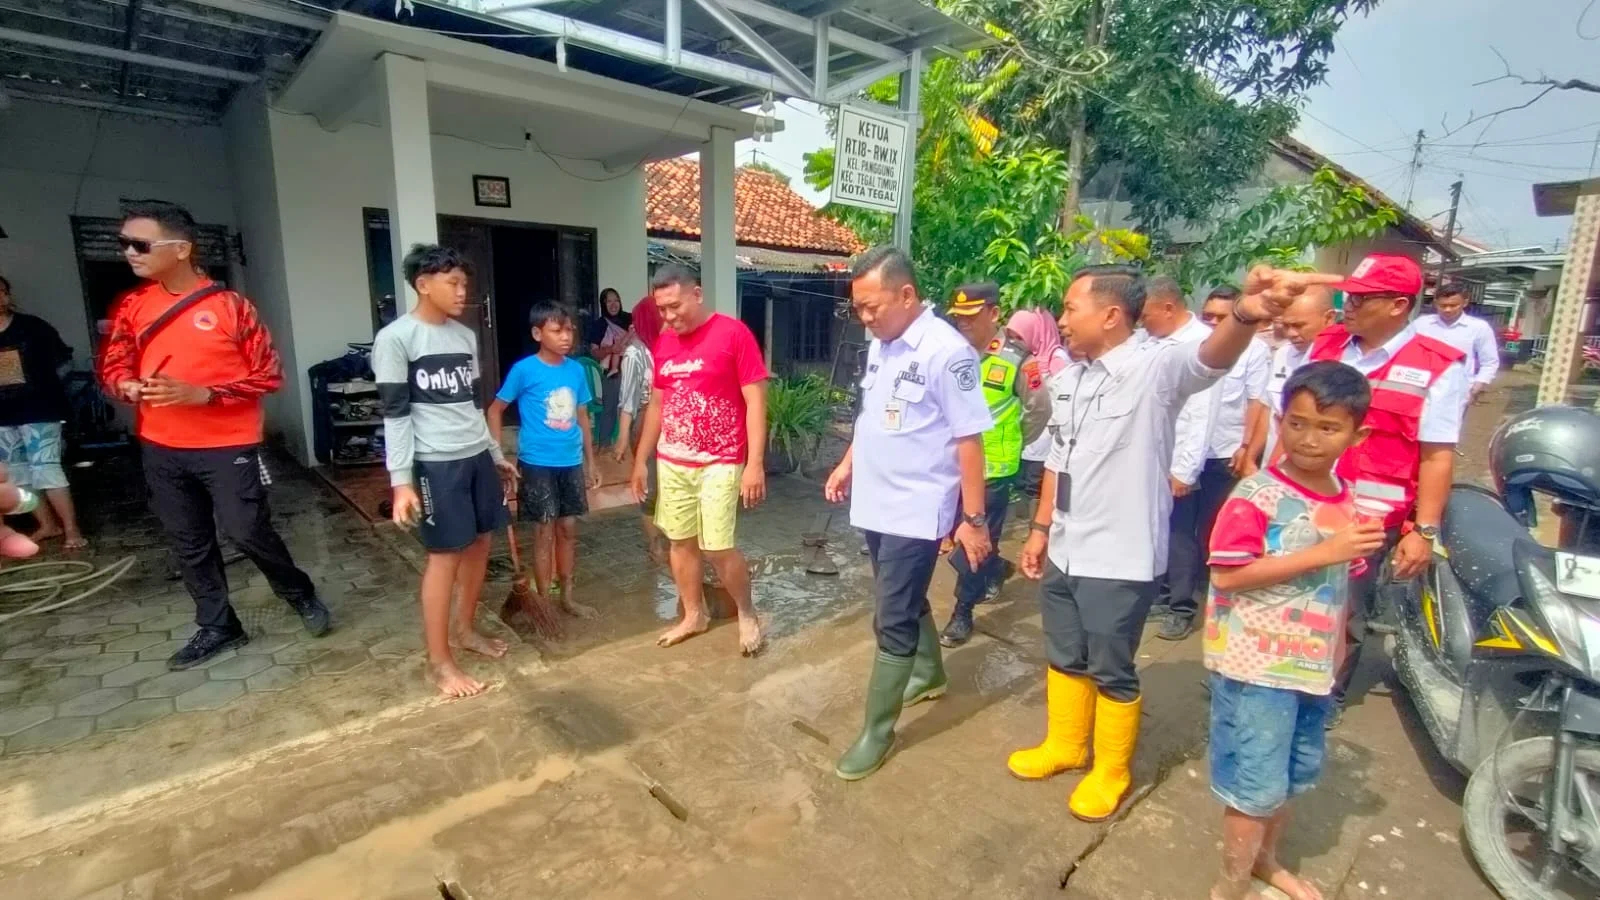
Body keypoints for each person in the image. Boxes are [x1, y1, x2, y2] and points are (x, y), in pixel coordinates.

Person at [1011, 263, 1328, 823]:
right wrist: (1039, 531)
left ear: (1111, 315)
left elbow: (1211, 359)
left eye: (1070, 308)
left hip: (1119, 553)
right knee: (1064, 653)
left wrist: (1248, 312)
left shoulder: (1154, 367)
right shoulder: (1072, 378)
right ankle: (1066, 745)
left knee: (1110, 665)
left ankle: (1110, 769)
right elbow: (1057, 464)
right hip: (1064, 544)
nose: (1061, 320)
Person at [97, 201, 330, 670]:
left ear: (181, 249)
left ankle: (298, 592)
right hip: (161, 445)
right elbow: (113, 362)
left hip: (227, 446)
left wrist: (204, 394)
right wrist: (125, 383)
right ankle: (219, 624)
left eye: (139, 244)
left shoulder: (231, 308)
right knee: (188, 540)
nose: (128, 253)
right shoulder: (133, 305)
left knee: (247, 532)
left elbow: (269, 375)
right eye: (123, 244)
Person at [1204, 360, 1384, 900]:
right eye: (1298, 423)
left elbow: (1342, 586)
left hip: (1310, 668)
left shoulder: (1344, 495)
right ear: (1280, 421)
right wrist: (1325, 550)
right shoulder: (1255, 496)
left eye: (1328, 428)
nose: (1309, 439)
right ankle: (1229, 884)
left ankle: (1266, 861)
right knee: (1255, 786)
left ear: (1358, 434)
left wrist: (1334, 654)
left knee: (1291, 776)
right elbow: (1228, 573)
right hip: (1256, 667)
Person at [824, 246, 993, 780]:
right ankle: (930, 673)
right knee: (901, 595)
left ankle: (878, 732)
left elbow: (970, 441)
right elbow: (873, 413)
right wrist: (848, 463)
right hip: (875, 500)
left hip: (918, 508)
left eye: (872, 307)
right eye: (859, 310)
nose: (865, 318)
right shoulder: (882, 343)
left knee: (890, 615)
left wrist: (974, 518)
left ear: (907, 295)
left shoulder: (949, 353)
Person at [1292, 254, 1468, 728]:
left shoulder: (1437, 367)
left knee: (1344, 607)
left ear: (1397, 306)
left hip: (1370, 514)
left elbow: (1437, 456)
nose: (1348, 304)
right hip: (1304, 498)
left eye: (1362, 297)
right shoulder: (1326, 345)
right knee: (1288, 591)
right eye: (1349, 293)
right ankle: (1277, 675)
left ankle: (1322, 695)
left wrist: (1424, 531)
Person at [374, 243, 518, 699]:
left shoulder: (463, 337)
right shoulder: (397, 339)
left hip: (474, 455)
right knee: (444, 557)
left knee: (480, 545)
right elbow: (395, 416)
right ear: (423, 284)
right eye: (453, 283)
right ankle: (440, 662)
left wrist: (494, 453)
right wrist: (400, 482)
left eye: (464, 284)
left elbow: (472, 406)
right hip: (436, 465)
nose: (462, 292)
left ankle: (464, 629)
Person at [628, 264, 768, 655]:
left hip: (720, 461)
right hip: (673, 462)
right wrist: (641, 460)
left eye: (675, 306)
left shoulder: (733, 334)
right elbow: (657, 404)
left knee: (718, 545)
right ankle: (694, 614)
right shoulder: (665, 343)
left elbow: (756, 401)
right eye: (662, 310)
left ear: (698, 294)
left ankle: (746, 611)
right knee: (680, 542)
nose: (670, 317)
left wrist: (754, 463)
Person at [939, 284, 1047, 646]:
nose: (963, 323)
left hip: (993, 470)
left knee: (975, 540)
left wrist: (1014, 443)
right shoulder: (949, 352)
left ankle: (962, 613)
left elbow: (1038, 409)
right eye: (958, 317)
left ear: (994, 313)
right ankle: (997, 567)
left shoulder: (1017, 357)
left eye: (971, 316)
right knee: (954, 536)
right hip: (949, 467)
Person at [1167, 288, 1273, 641]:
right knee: (1179, 530)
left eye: (1221, 317)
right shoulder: (1191, 349)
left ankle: (1216, 599)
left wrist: (1247, 449)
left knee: (1214, 532)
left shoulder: (1253, 351)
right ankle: (1179, 603)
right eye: (1208, 315)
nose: (1212, 322)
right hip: (1184, 456)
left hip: (1224, 454)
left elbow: (1257, 403)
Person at [488, 301, 602, 623]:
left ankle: (567, 597)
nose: (566, 336)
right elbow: (495, 410)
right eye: (557, 330)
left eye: (569, 330)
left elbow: (582, 416)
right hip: (537, 463)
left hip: (570, 462)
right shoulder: (525, 370)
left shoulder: (576, 370)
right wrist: (498, 456)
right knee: (544, 531)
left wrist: (590, 462)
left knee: (567, 529)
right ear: (538, 333)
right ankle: (543, 602)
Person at [1138, 276, 1218, 641]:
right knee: (1159, 529)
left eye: (1147, 315)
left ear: (1169, 308)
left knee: (1181, 534)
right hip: (1154, 455)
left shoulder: (1200, 346)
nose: (1143, 323)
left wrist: (1185, 470)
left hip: (1180, 459)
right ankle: (1165, 594)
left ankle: (1182, 607)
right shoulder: (1153, 342)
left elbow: (1201, 414)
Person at [0, 273, 86, 549]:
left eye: (2, 291)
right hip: (3, 417)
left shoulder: (32, 327)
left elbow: (63, 362)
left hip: (40, 412)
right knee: (17, 475)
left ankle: (72, 531)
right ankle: (47, 525)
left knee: (47, 470)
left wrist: (50, 394)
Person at [614, 296, 668, 562]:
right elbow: (628, 399)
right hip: (648, 424)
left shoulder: (670, 344)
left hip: (675, 425)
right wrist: (623, 438)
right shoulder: (635, 353)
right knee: (652, 488)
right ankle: (654, 542)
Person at [1256, 286, 1336, 463]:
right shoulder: (1283, 354)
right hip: (1272, 467)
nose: (1291, 333)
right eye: (1286, 325)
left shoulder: (1340, 364)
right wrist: (1250, 455)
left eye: (1299, 325)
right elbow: (1268, 408)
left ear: (1329, 318)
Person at [1008, 307, 1072, 500]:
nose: (1014, 343)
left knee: (1036, 489)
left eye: (1019, 337)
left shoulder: (1057, 360)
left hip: (1045, 442)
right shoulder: (1021, 359)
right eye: (1011, 337)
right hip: (1023, 439)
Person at [1413, 281, 1500, 408]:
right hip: (1421, 387)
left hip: (1457, 391)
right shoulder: (1421, 324)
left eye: (1453, 305)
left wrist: (1477, 386)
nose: (1447, 309)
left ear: (1464, 303)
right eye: (1443, 305)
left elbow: (1490, 362)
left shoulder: (1478, 328)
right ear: (1436, 303)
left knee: (1448, 427)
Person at [590, 287, 631, 446]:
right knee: (610, 408)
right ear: (603, 304)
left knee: (637, 407)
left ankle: (633, 445)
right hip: (612, 374)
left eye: (616, 300)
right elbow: (594, 352)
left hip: (633, 369)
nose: (613, 304)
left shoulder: (630, 319)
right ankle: (605, 445)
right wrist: (610, 350)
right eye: (609, 301)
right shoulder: (599, 325)